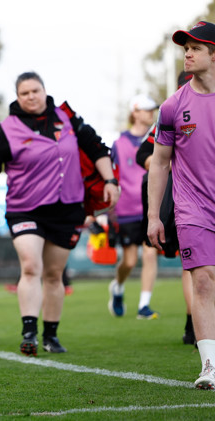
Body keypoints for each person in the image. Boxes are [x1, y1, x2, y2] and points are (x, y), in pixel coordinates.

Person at [0, 71, 119, 357]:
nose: (30, 96)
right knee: (31, 266)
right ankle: (28, 332)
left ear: (44, 91)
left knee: (54, 274)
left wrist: (110, 181)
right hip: (25, 208)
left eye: (35, 91)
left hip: (67, 208)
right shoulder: (8, 128)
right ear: (17, 97)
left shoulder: (67, 118)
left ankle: (51, 336)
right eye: (24, 93)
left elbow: (96, 148)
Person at [147, 21, 215, 390]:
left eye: (196, 47)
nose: (187, 53)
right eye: (184, 47)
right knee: (203, 280)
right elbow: (159, 162)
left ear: (214, 55)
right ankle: (209, 366)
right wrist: (154, 216)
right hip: (192, 208)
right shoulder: (173, 106)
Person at [136, 71, 195, 344]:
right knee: (192, 264)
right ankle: (193, 325)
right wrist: (170, 163)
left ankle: (194, 325)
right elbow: (144, 157)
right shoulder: (172, 110)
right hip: (178, 196)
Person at [108, 94, 159, 319]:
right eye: (147, 110)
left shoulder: (160, 138)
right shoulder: (119, 144)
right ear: (135, 112)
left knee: (150, 255)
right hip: (127, 209)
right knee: (129, 261)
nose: (151, 114)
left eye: (152, 110)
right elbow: (111, 177)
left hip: (152, 207)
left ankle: (144, 306)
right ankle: (117, 287)